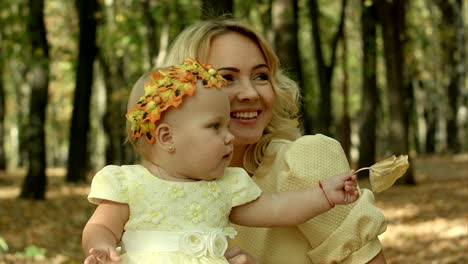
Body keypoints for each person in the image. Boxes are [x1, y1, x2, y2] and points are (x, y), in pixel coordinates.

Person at [81, 58, 360, 264]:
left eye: (227, 126)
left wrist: (324, 195)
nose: (229, 137)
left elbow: (278, 208)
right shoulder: (128, 183)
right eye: (215, 127)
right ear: (167, 137)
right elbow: (101, 226)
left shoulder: (226, 186)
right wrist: (102, 247)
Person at [161, 18, 388, 264]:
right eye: (227, 78)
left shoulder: (303, 164)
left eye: (260, 76)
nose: (250, 93)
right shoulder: (155, 192)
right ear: (182, 94)